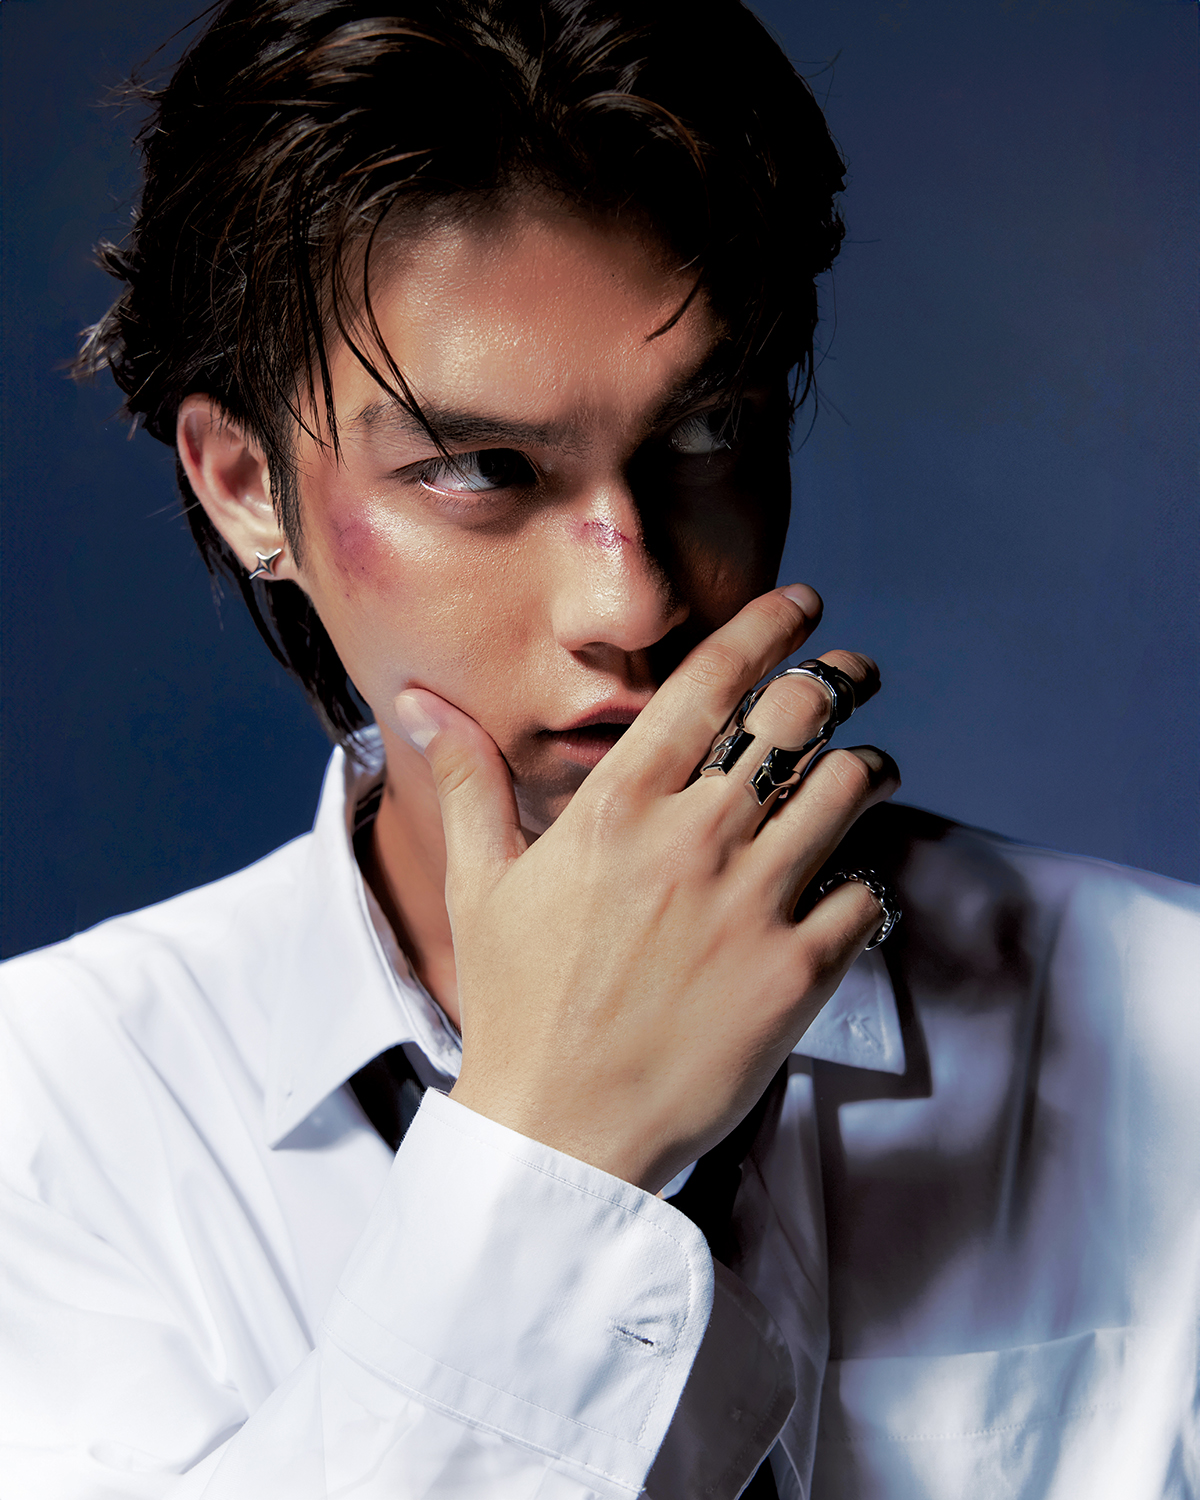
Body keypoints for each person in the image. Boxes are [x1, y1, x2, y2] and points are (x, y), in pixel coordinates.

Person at [1, 1, 1197, 1497]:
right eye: (479, 469)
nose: (632, 604)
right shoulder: (47, 1116)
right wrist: (553, 1149)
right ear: (247, 485)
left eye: (704, 435)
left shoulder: (1170, 1023)